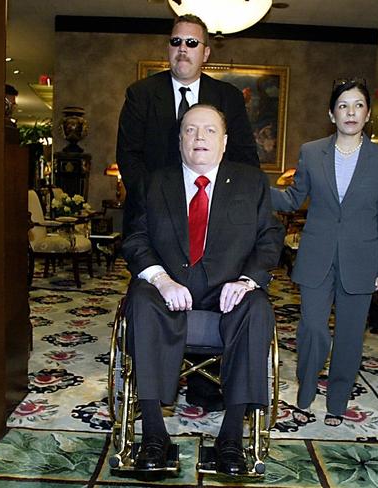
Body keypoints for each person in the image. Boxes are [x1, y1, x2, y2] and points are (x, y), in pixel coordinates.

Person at [122, 104, 283, 474]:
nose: (199, 138)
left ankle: (230, 438)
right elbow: (135, 239)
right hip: (167, 289)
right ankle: (153, 434)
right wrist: (161, 279)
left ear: (224, 142)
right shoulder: (153, 182)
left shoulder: (251, 182)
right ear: (179, 140)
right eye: (191, 130)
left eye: (209, 131)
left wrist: (246, 281)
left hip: (230, 291)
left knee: (257, 307)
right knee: (141, 298)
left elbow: (269, 239)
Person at [117, 14, 260, 411]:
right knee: (159, 298)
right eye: (176, 41)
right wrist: (158, 201)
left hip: (213, 217)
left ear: (206, 52)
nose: (183, 49)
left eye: (192, 43)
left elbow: (245, 155)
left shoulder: (228, 97)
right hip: (158, 221)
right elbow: (128, 156)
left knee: (211, 293)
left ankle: (203, 383)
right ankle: (160, 382)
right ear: (169, 47)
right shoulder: (141, 93)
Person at [271, 79, 378, 427]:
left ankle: (337, 401)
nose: (351, 112)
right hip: (316, 256)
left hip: (363, 260)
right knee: (312, 328)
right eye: (343, 105)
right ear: (332, 113)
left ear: (368, 113)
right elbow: (293, 198)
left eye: (358, 105)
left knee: (349, 335)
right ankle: (306, 393)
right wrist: (254, 188)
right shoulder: (312, 152)